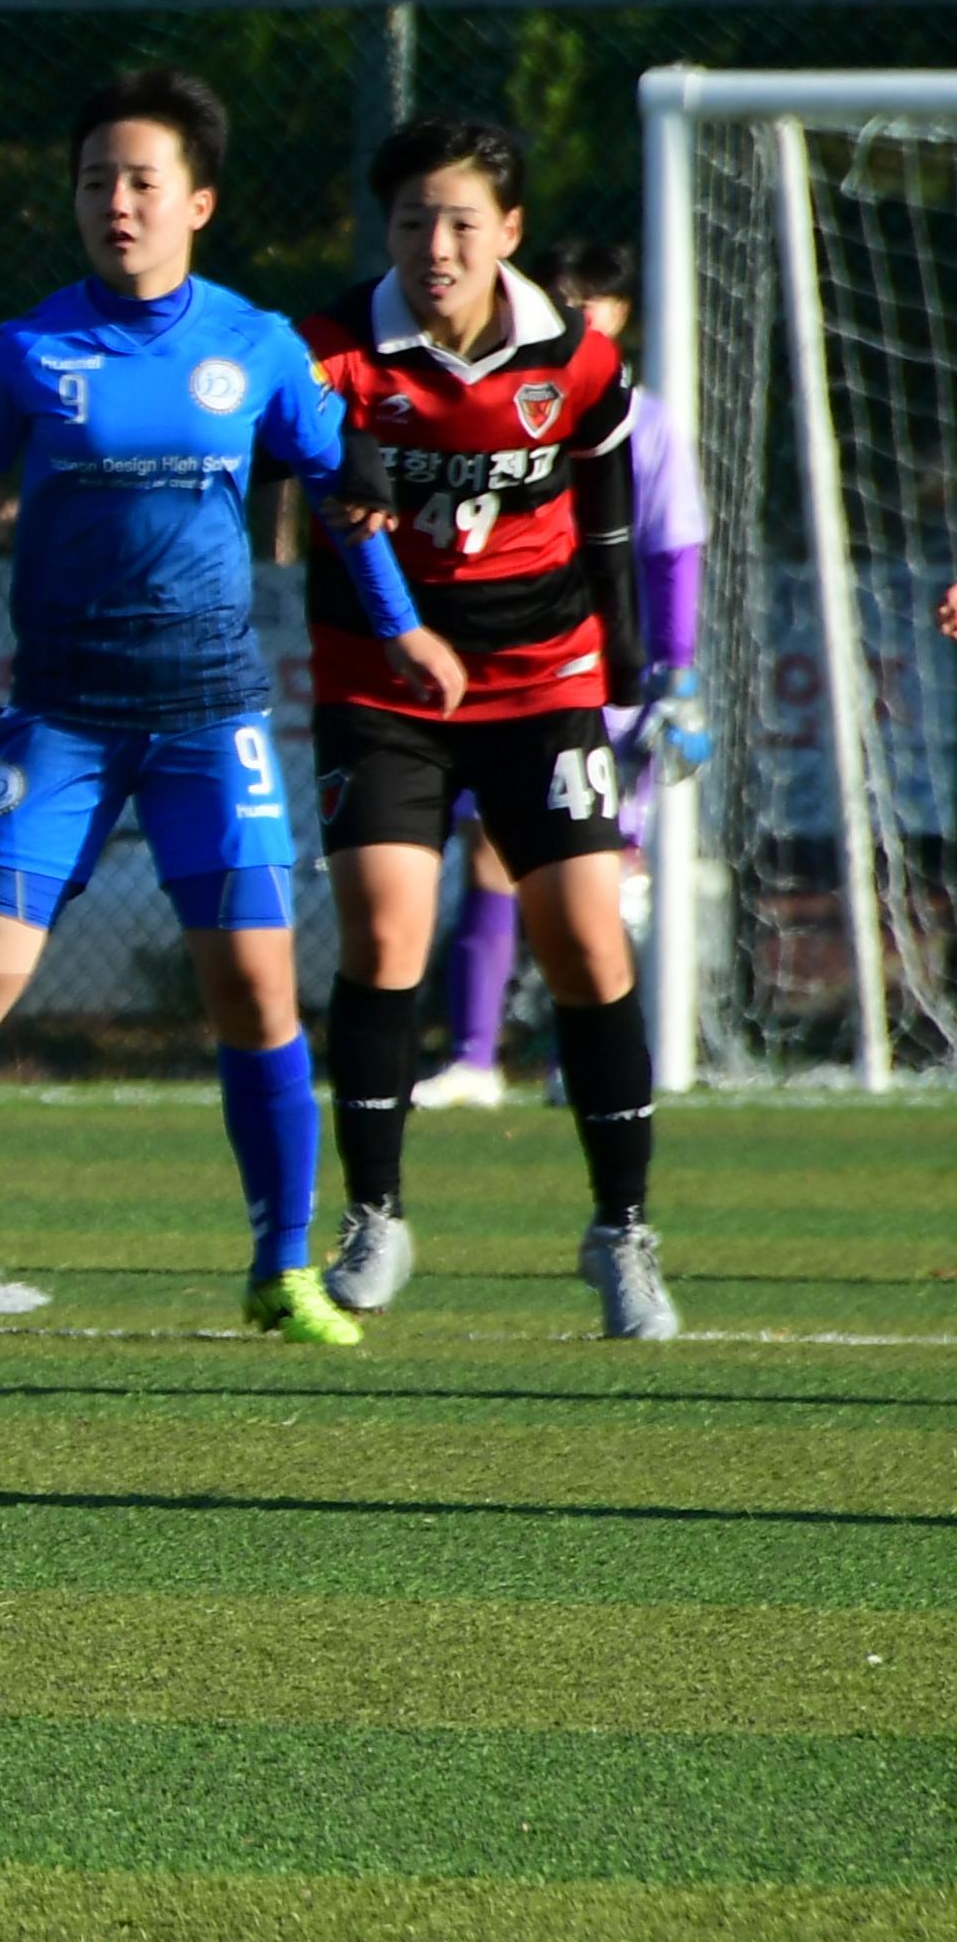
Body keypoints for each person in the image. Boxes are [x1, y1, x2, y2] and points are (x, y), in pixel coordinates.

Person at [0, 70, 436, 1347]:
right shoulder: (30, 350)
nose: (115, 204)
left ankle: (280, 1266)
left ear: (198, 201)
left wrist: (400, 620)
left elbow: (340, 486)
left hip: (211, 719)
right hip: (61, 717)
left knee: (255, 992)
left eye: (141, 181)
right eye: (95, 182)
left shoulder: (252, 348)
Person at [302, 115, 670, 1340]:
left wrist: (622, 640)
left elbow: (607, 485)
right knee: (385, 924)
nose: (436, 243)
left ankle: (622, 1232)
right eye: (413, 220)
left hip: (541, 680)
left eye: (461, 220)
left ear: (508, 232)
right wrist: (341, 457)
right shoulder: (339, 349)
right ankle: (376, 1217)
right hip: (383, 686)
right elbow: (299, 438)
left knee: (588, 944)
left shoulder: (569, 358)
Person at [413, 240, 704, 1106]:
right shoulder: (503, 406)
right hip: (508, 670)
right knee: (489, 857)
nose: (581, 316)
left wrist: (675, 674)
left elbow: (672, 550)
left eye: (599, 303)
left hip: (601, 684)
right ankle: (473, 1057)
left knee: (592, 870)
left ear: (624, 321)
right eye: (565, 298)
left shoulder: (647, 427)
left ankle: (579, 1057)